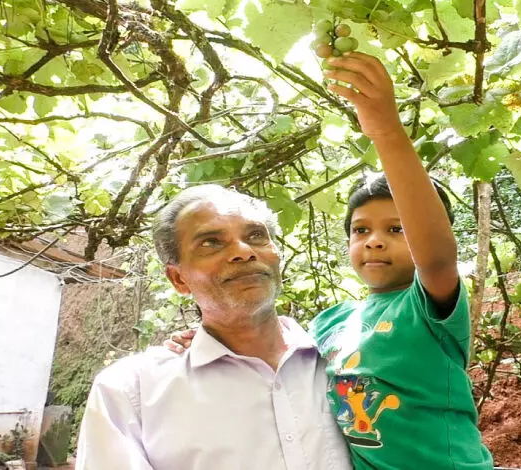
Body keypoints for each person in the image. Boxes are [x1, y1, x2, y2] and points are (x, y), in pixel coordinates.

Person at [168, 52, 493, 469]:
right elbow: (271, 353)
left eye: (398, 230)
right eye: (361, 230)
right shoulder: (329, 323)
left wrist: (386, 131)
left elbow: (435, 258)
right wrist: (203, 339)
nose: (375, 242)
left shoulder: (428, 306)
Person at [76, 183, 352, 469]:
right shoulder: (130, 392)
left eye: (256, 235)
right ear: (178, 279)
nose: (243, 252)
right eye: (211, 242)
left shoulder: (347, 363)